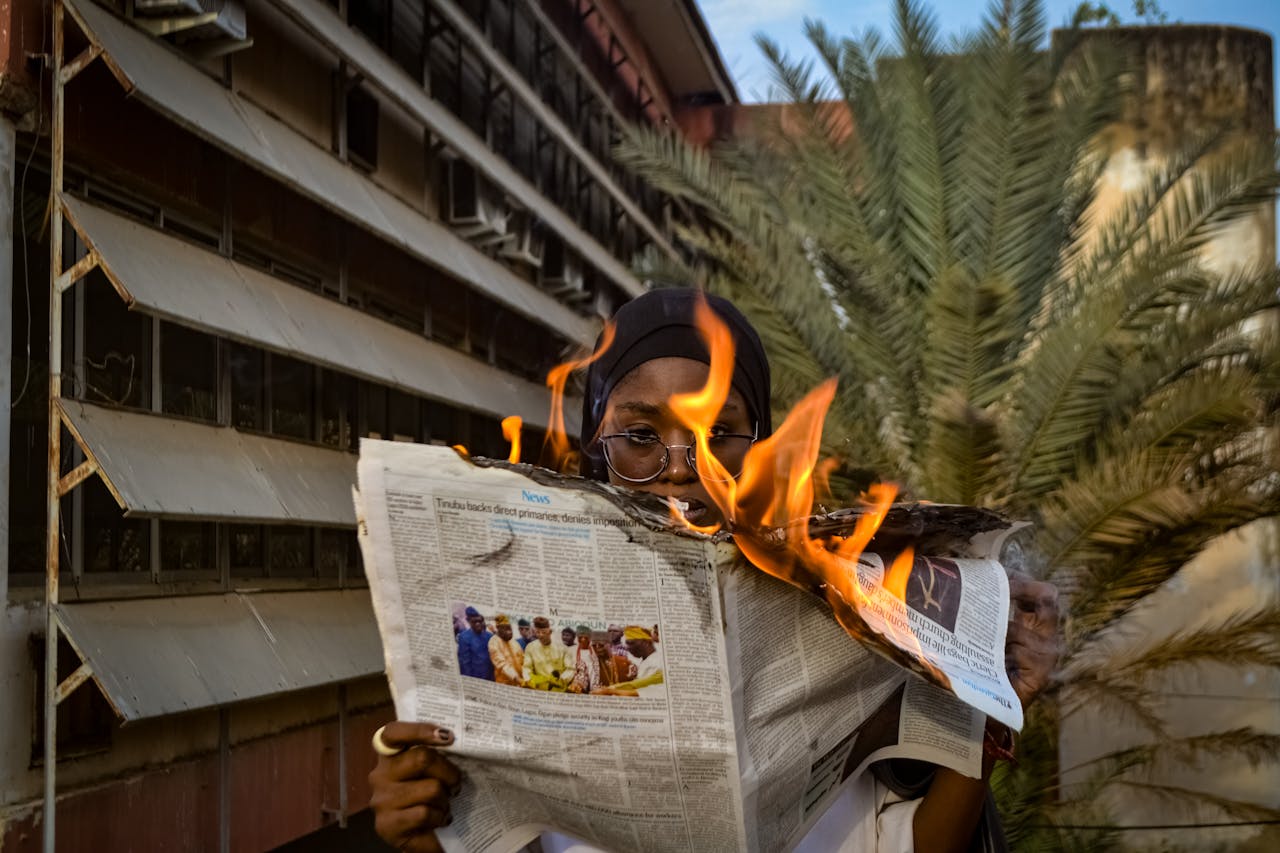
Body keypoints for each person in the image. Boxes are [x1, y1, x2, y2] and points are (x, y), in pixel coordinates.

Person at [369, 289, 1060, 853]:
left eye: (718, 434)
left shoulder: (842, 604)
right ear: (595, 452)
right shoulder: (519, 613)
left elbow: (904, 844)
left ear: (763, 449)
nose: (680, 467)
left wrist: (989, 710)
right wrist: (426, 833)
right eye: (641, 436)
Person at [592, 626, 664, 698]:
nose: (627, 647)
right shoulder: (645, 661)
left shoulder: (655, 663)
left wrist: (609, 690)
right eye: (594, 645)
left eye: (631, 643)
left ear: (646, 642)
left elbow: (640, 688)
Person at [521, 616, 573, 691]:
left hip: (559, 690)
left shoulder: (563, 648)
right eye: (538, 632)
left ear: (550, 632)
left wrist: (560, 680)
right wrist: (528, 680)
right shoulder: (530, 647)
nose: (540, 635)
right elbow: (527, 667)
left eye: (544, 632)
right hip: (539, 690)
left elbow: (570, 669)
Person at [455, 606, 494, 681]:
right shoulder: (464, 637)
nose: (478, 624)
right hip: (475, 676)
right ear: (469, 621)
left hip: (489, 676)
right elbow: (465, 662)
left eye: (479, 621)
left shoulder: (489, 636)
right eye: (474, 622)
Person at [489, 614, 524, 687]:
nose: (509, 632)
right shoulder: (493, 642)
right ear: (498, 628)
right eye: (505, 628)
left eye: (510, 628)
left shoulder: (514, 642)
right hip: (505, 685)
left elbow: (523, 660)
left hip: (520, 683)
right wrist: (516, 678)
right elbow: (501, 664)